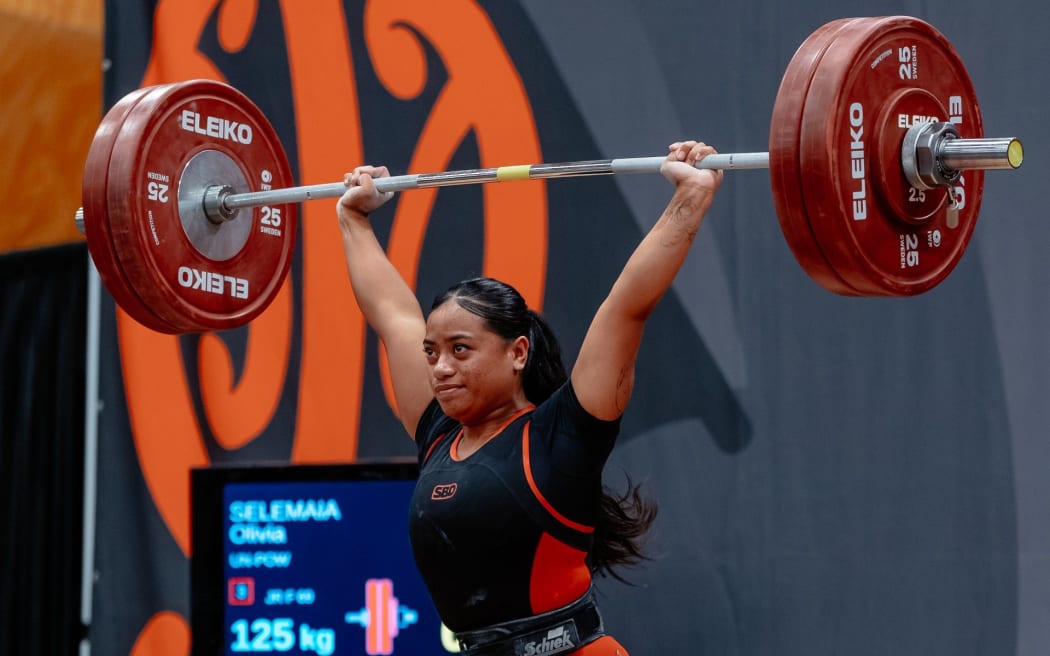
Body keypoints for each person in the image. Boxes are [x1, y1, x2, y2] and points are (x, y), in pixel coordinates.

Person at [336, 141, 723, 655]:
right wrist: (353, 219)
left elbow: (627, 305)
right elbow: (392, 314)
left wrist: (689, 197)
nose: (441, 367)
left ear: (517, 353)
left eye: (460, 349)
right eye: (432, 353)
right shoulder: (438, 433)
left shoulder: (562, 436)